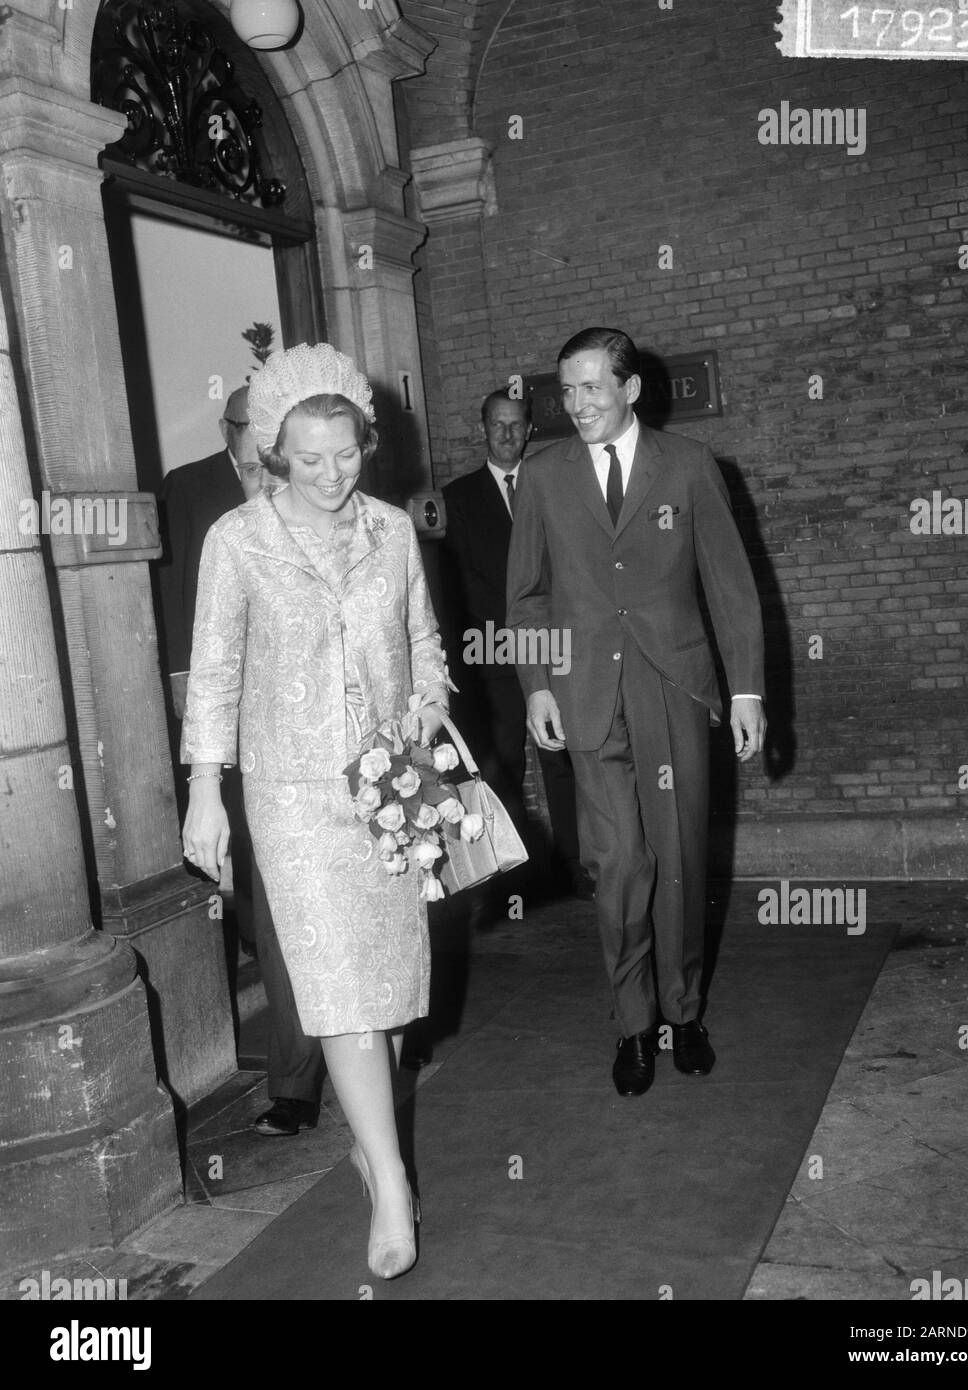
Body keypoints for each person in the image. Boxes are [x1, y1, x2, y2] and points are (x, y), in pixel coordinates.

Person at [180, 343, 451, 1281]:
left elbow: (422, 641)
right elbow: (213, 671)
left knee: (387, 998)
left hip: (389, 784)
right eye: (309, 458)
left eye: (347, 453)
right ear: (272, 455)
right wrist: (205, 790)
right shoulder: (236, 541)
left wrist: (429, 706)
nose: (333, 475)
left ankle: (371, 1143)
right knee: (342, 1002)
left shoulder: (390, 528)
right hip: (291, 796)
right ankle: (390, 1182)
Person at [507, 327, 766, 1098]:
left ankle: (683, 1013)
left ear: (629, 389)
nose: (575, 403)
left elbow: (730, 585)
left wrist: (745, 690)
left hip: (672, 687)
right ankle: (632, 1025)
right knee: (618, 865)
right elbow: (525, 597)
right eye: (566, 389)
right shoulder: (543, 475)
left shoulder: (687, 467)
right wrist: (536, 686)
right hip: (585, 692)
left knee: (679, 859)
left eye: (591, 387)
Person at [157, 387, 327, 1138]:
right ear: (231, 430)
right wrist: (194, 728)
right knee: (258, 902)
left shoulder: (320, 491)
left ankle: (302, 1077)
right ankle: (306, 1061)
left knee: (303, 911)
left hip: (317, 735)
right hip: (228, 734)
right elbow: (174, 604)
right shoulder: (190, 490)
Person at [442, 390, 590, 900]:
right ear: (483, 429)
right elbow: (459, 583)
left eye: (515, 425)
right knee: (503, 764)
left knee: (562, 761)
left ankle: (578, 867)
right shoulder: (457, 497)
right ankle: (515, 881)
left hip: (554, 649)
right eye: (496, 425)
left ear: (529, 429)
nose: (506, 434)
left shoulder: (556, 484)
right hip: (492, 656)